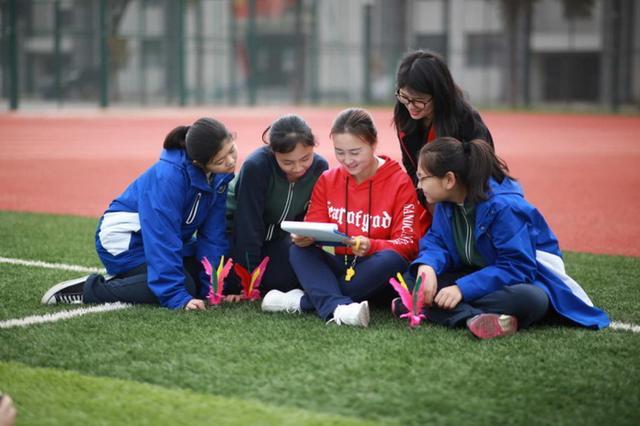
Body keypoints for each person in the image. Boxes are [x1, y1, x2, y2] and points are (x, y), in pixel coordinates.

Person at [396, 136, 609, 338]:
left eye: (422, 178)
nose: (418, 185)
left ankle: (439, 310)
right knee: (411, 281)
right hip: (472, 273)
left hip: (521, 279)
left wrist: (462, 289)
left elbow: (518, 267)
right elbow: (436, 241)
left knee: (532, 300)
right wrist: (428, 266)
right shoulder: (445, 202)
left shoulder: (505, 207)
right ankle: (475, 318)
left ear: (449, 179)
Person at [41, 117, 237, 311]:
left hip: (159, 238)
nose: (230, 161)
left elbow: (212, 235)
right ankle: (89, 290)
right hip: (124, 242)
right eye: (220, 161)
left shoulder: (219, 176)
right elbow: (162, 237)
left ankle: (135, 278)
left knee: (209, 273)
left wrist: (213, 290)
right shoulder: (169, 177)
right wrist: (176, 296)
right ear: (198, 163)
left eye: (231, 150)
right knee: (185, 286)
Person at [261, 108, 420, 327]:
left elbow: (408, 244)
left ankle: (303, 302)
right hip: (337, 263)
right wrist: (306, 237)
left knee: (392, 259)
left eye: (355, 152)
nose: (347, 160)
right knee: (298, 249)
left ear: (373, 144)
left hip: (374, 268)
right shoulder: (328, 179)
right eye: (340, 152)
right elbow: (314, 226)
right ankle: (341, 309)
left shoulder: (399, 182)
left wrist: (372, 245)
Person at [225, 114, 328, 299]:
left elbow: (308, 221)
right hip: (235, 238)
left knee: (286, 280)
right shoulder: (256, 166)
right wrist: (247, 281)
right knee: (228, 280)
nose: (298, 168)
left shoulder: (320, 168)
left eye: (305, 158)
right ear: (273, 152)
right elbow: (248, 226)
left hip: (277, 240)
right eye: (288, 162)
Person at [393, 49, 494, 228]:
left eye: (419, 100)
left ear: (439, 94)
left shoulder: (465, 120)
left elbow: (482, 167)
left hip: (467, 202)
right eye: (404, 97)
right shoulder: (404, 114)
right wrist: (427, 199)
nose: (411, 106)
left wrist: (451, 205)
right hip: (430, 200)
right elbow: (410, 165)